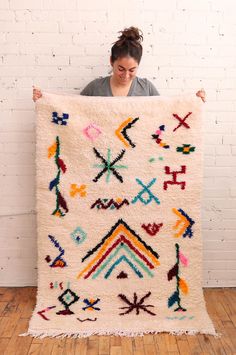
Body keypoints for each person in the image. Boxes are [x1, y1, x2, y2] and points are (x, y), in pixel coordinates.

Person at [33, 26, 206, 101]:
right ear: (111, 62)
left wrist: (193, 101)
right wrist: (45, 100)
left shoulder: (146, 88)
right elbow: (73, 110)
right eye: (120, 69)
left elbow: (166, 114)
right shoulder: (96, 88)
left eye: (132, 70)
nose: (126, 75)